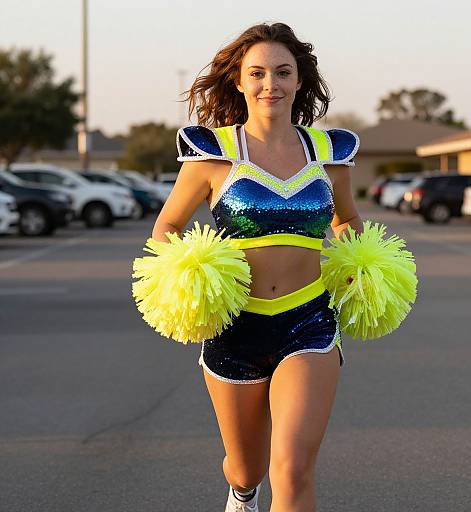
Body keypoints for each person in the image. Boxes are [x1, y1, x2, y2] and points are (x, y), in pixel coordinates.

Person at [151, 22, 363, 512]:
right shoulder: (212, 153)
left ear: (299, 81)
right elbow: (168, 225)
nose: (272, 84)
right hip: (234, 326)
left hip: (308, 321)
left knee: (291, 467)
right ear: (240, 82)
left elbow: (347, 218)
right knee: (248, 466)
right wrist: (184, 276)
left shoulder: (330, 154)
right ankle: (242, 494)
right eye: (259, 73)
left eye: (283, 72)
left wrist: (358, 262)